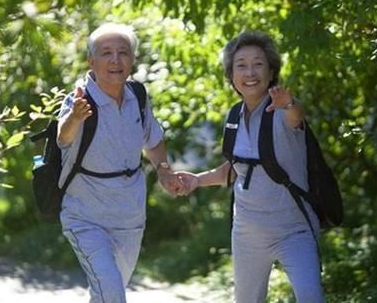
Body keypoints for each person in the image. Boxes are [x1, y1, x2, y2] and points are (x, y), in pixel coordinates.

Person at [178, 31, 326, 302]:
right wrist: (197, 180)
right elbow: (237, 169)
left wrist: (289, 103)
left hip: (294, 230)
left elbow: (297, 116)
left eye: (258, 64)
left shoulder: (280, 110)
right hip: (247, 233)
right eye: (241, 65)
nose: (250, 72)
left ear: (271, 72)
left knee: (311, 297)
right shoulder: (233, 115)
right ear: (231, 75)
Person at [56, 22, 183, 303]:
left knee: (107, 294)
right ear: (91, 61)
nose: (115, 60)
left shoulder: (138, 96)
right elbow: (63, 138)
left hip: (129, 217)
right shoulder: (79, 100)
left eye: (123, 52)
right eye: (106, 53)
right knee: (112, 293)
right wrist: (75, 118)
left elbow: (154, 141)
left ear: (132, 59)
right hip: (85, 217)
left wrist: (163, 172)